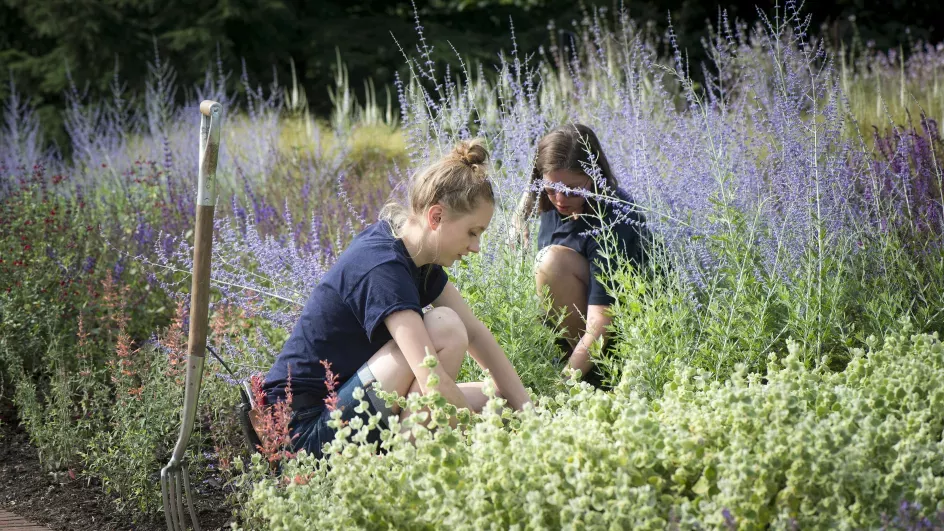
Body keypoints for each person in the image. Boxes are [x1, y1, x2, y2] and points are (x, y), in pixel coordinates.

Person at [263, 139, 531, 458]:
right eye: (472, 232)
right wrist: (482, 442)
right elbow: (431, 381)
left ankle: (402, 452)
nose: (476, 247)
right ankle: (403, 466)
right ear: (436, 217)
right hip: (300, 436)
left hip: (347, 408)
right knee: (445, 327)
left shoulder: (415, 255)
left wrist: (529, 414)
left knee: (498, 403)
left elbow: (476, 333)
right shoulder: (383, 267)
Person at [513, 123, 649, 388]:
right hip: (575, 332)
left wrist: (561, 387)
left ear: (595, 176)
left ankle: (593, 378)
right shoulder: (551, 200)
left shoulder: (614, 220)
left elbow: (602, 324)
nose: (561, 199)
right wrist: (519, 218)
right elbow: (534, 189)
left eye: (573, 189)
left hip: (617, 344)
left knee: (549, 262)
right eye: (551, 189)